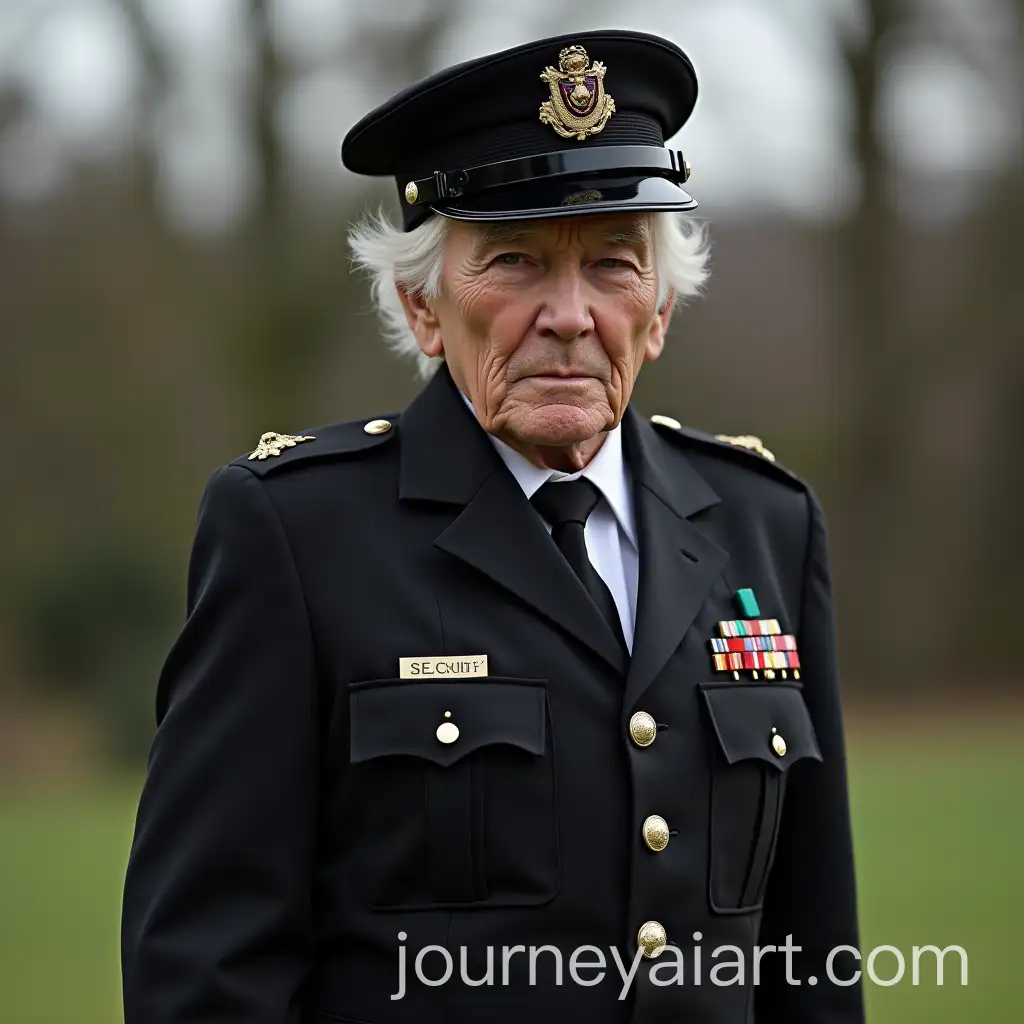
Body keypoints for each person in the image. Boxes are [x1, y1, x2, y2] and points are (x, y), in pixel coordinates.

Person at [121, 29, 865, 1024]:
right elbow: (205, 975)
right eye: (515, 261)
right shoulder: (298, 536)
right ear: (421, 307)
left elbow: (813, 962)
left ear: (658, 313)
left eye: (613, 264)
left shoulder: (767, 524)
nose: (569, 314)